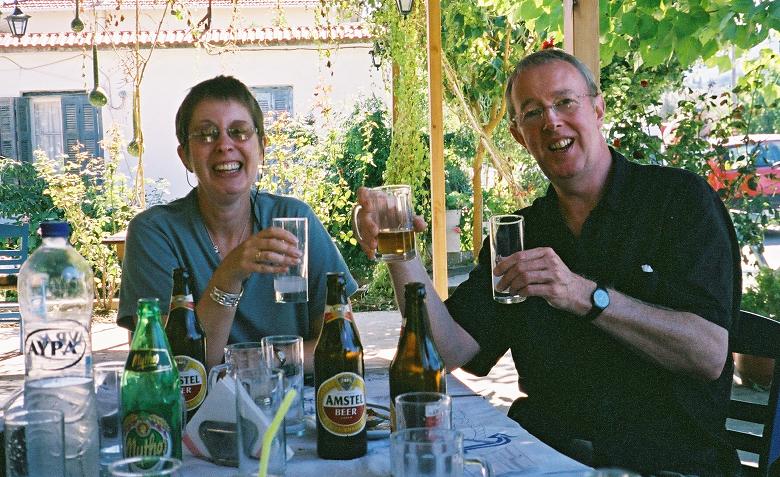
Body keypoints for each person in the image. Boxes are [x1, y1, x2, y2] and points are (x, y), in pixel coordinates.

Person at [353, 49, 742, 476]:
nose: (551, 121)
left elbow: (709, 354)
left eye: (564, 102)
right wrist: (399, 250)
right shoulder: (524, 232)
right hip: (543, 458)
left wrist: (584, 295)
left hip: (663, 464)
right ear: (520, 135)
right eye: (533, 112)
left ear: (598, 108)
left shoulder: (677, 201)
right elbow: (447, 350)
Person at [118, 75, 357, 372]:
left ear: (262, 148)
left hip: (294, 408)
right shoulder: (155, 233)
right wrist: (229, 275)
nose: (224, 145)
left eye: (239, 132)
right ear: (186, 157)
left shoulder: (294, 221)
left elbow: (342, 346)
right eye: (206, 134)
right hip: (194, 416)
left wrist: (251, 362)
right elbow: (169, 364)